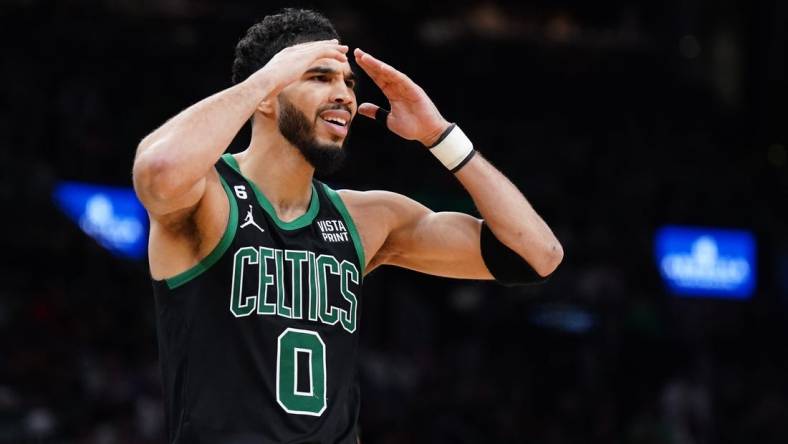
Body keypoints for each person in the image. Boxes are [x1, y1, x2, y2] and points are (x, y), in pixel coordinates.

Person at [132, 8, 563, 444]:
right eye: (320, 77)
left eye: (349, 83)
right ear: (266, 94)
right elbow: (159, 168)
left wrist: (440, 135)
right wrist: (261, 81)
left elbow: (537, 255)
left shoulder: (364, 218)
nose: (345, 96)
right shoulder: (209, 196)